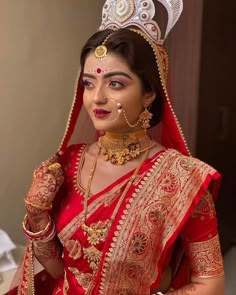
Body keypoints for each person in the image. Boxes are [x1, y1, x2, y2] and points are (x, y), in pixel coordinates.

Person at [11, 0, 224, 294]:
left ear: (149, 92)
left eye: (115, 84)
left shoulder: (183, 179)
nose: (96, 98)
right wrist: (38, 218)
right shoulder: (67, 164)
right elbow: (61, 270)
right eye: (88, 83)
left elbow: (209, 282)